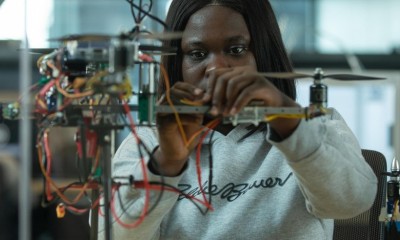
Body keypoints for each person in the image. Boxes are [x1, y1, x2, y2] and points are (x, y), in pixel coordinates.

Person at [98, 0, 378, 239]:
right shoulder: (148, 144)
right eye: (197, 54)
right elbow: (111, 234)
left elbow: (353, 203)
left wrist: (286, 118)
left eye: (236, 50)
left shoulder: (315, 125)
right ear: (177, 65)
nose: (217, 69)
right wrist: (168, 162)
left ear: (265, 54)